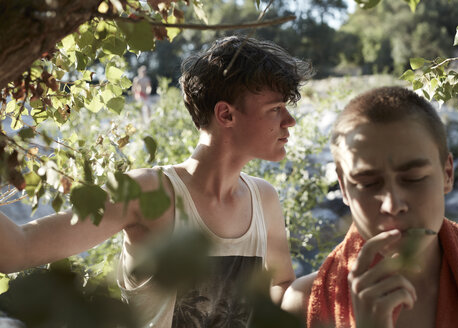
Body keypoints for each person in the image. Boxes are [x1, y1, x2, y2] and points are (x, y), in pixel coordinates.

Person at [0, 35, 313, 327]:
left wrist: (343, 268)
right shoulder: (145, 192)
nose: (290, 121)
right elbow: (18, 250)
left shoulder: (264, 197)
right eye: (275, 109)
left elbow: (281, 291)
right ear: (226, 115)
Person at [281, 86, 458, 327]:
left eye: (414, 178)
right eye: (368, 183)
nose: (393, 205)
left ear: (447, 174)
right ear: (343, 188)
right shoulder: (304, 303)